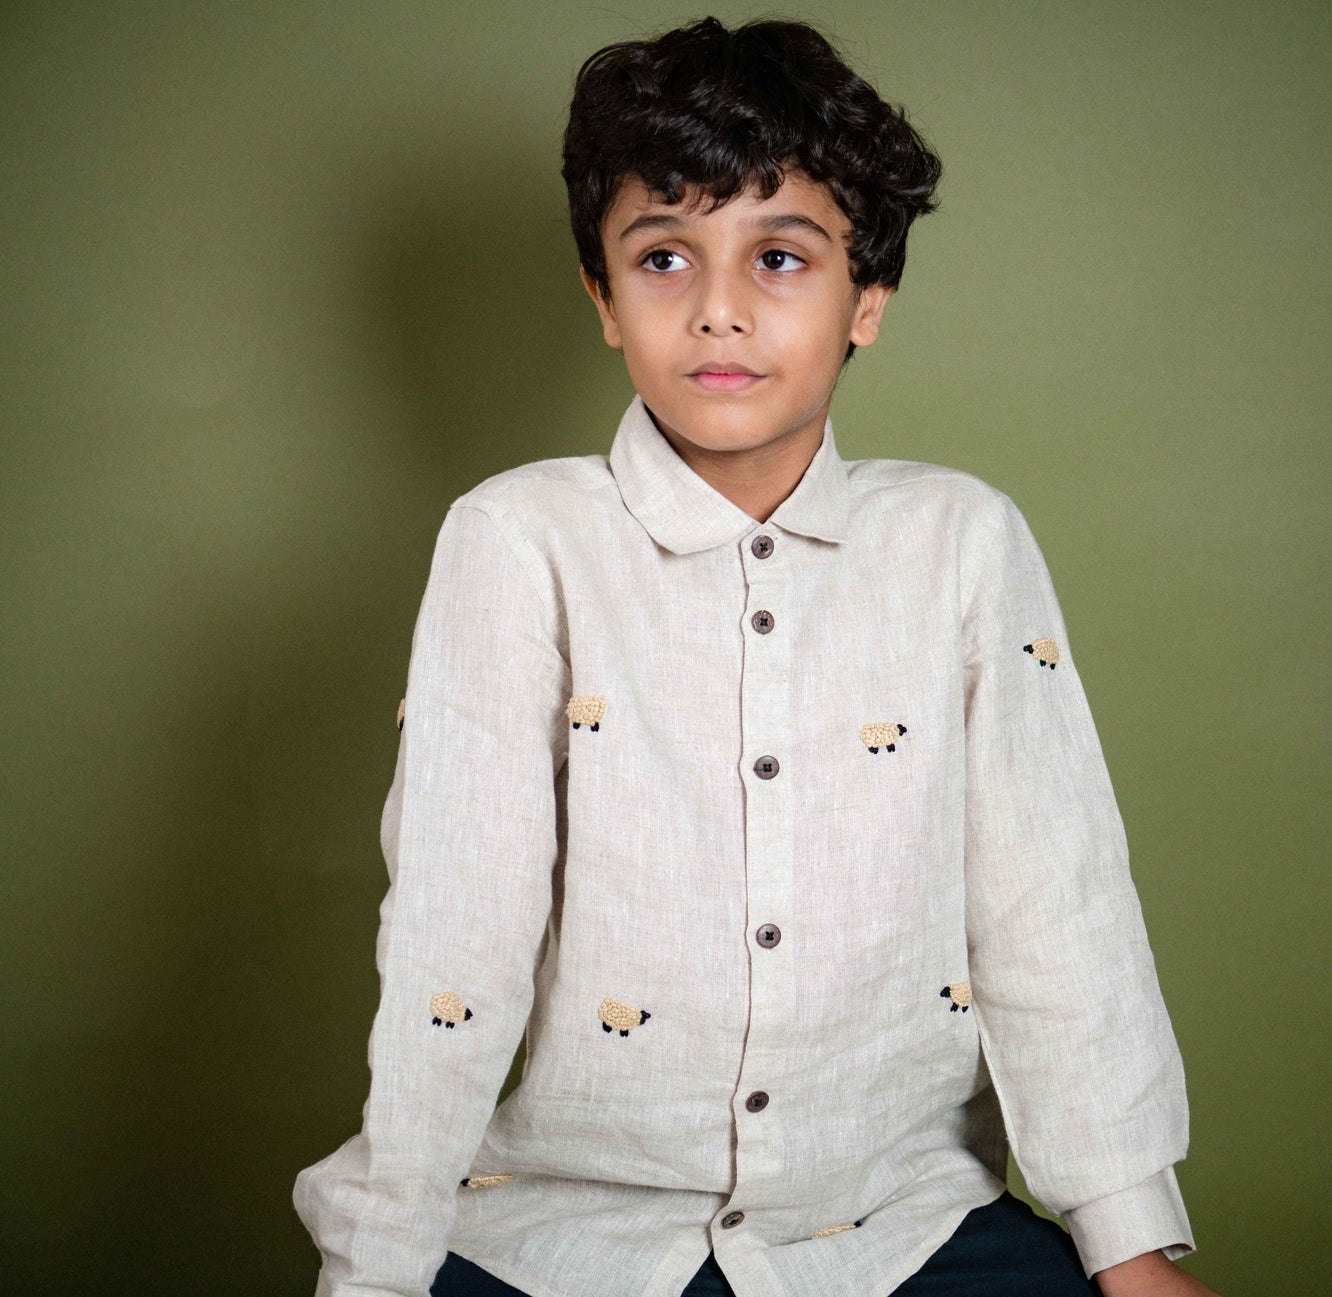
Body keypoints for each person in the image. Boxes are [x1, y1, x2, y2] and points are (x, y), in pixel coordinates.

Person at [292, 16, 1214, 1297]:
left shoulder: (960, 540)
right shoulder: (516, 540)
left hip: (903, 1228)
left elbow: (1051, 906)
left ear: (867, 299)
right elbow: (460, 926)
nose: (718, 308)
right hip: (566, 1234)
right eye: (663, 256)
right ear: (602, 301)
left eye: (780, 256)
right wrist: (381, 1269)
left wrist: (1128, 1237)